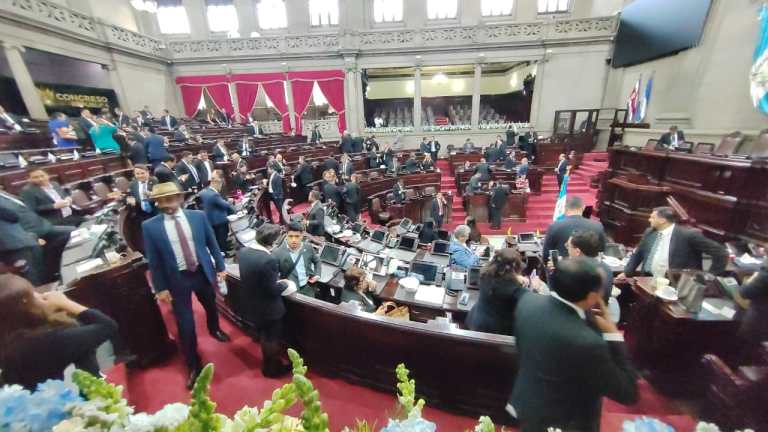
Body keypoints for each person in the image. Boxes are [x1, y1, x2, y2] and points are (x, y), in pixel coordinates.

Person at [509, 257, 638, 431]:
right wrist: (613, 334)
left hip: (528, 403)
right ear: (592, 296)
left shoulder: (527, 302)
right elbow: (628, 392)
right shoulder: (587, 343)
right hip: (565, 421)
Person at [142, 182, 231, 389]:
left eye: (170, 199)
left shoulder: (198, 217)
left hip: (202, 272)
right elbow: (154, 261)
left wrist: (220, 266)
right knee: (185, 324)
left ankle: (214, 328)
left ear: (180, 198)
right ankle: (193, 364)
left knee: (211, 305)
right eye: (161, 201)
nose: (167, 204)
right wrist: (160, 288)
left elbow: (212, 244)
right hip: (177, 280)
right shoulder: (150, 226)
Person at [0, 275, 118, 389]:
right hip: (80, 399)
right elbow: (107, 326)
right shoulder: (49, 341)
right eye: (34, 295)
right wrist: (65, 302)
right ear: (27, 307)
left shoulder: (10, 342)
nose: (41, 296)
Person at [238, 223, 297, 377]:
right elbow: (273, 290)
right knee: (271, 339)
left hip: (251, 303)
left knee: (264, 335)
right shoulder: (268, 260)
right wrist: (285, 283)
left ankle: (270, 365)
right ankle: (271, 369)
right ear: (273, 242)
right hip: (268, 309)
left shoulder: (243, 251)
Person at [620, 206, 728, 278]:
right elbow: (638, 253)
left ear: (662, 220)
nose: (649, 220)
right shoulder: (650, 232)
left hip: (676, 283)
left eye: (652, 217)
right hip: (648, 279)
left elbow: (721, 253)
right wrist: (626, 272)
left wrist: (710, 277)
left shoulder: (688, 235)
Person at [0, 188, 73, 283]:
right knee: (34, 278)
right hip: (12, 244)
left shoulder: (3, 194)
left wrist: (31, 235)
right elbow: (12, 216)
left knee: (42, 272)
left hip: (24, 238)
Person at [466, 248, 526, 336]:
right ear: (514, 268)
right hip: (495, 333)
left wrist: (514, 277)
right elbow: (529, 302)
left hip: (475, 321)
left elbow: (501, 277)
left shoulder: (484, 275)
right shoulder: (514, 288)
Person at [542, 196, 606, 263]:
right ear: (583, 207)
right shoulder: (597, 226)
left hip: (563, 268)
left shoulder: (554, 226)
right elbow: (602, 253)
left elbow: (546, 256)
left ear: (565, 208)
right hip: (591, 268)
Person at [273, 221, 320, 297]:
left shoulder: (308, 247)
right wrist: (282, 283)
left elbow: (317, 261)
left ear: (302, 235)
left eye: (297, 236)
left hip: (308, 288)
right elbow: (273, 275)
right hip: (290, 292)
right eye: (291, 236)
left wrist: (317, 274)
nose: (294, 240)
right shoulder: (277, 253)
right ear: (286, 235)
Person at [0, 205, 45, 285]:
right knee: (31, 277)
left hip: (13, 246)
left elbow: (13, 217)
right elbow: (13, 216)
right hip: (14, 245)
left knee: (30, 278)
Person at [566, 230, 613, 302]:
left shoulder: (576, 273)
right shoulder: (606, 267)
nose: (567, 249)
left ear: (577, 252)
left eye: (568, 246)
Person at [738, 258, 768, 352]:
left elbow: (744, 292)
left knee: (749, 351)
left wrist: (754, 276)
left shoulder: (765, 275)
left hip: (760, 326)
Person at [199, 177, 235, 254]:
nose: (221, 187)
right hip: (219, 220)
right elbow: (224, 205)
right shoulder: (213, 194)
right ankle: (224, 253)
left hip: (211, 220)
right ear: (217, 184)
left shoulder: (203, 192)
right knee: (221, 237)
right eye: (220, 185)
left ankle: (225, 247)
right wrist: (230, 202)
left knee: (219, 238)